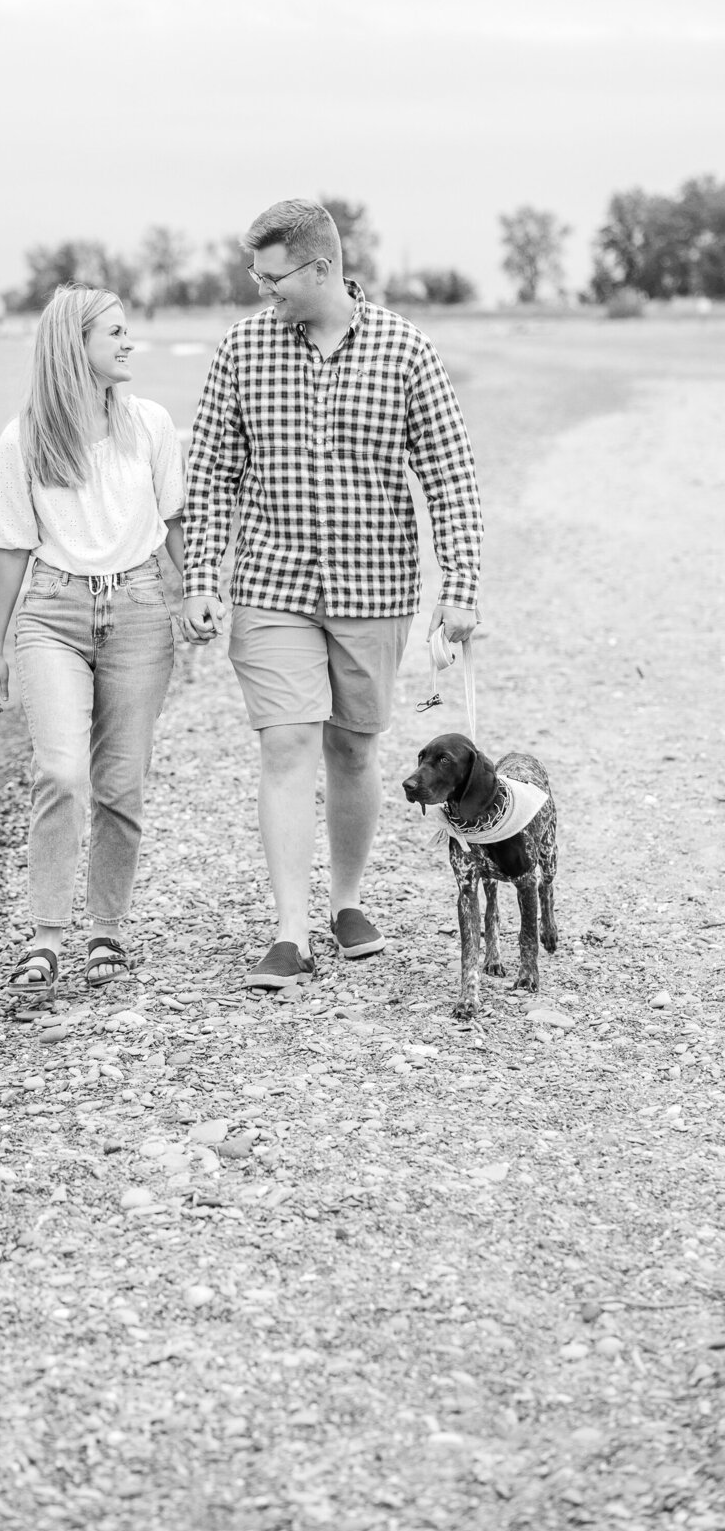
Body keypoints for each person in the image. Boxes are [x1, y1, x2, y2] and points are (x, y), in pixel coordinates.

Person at [181, 199, 483, 987]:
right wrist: (203, 575)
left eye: (272, 275)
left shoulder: (406, 349)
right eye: (255, 274)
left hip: (374, 588)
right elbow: (212, 470)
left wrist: (462, 589)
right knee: (285, 745)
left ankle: (346, 902)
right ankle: (289, 931)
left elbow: (451, 479)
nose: (260, 289)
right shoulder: (243, 348)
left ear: (321, 269)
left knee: (352, 749)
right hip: (272, 584)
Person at [0, 283, 186, 1003]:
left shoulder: (151, 425)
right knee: (61, 773)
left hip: (137, 614)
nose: (130, 344)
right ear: (77, 346)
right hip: (51, 614)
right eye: (117, 334)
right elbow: (11, 549)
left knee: (121, 782)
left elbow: (176, 523)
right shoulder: (25, 439)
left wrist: (190, 596)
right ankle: (45, 936)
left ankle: (107, 928)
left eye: (129, 332)